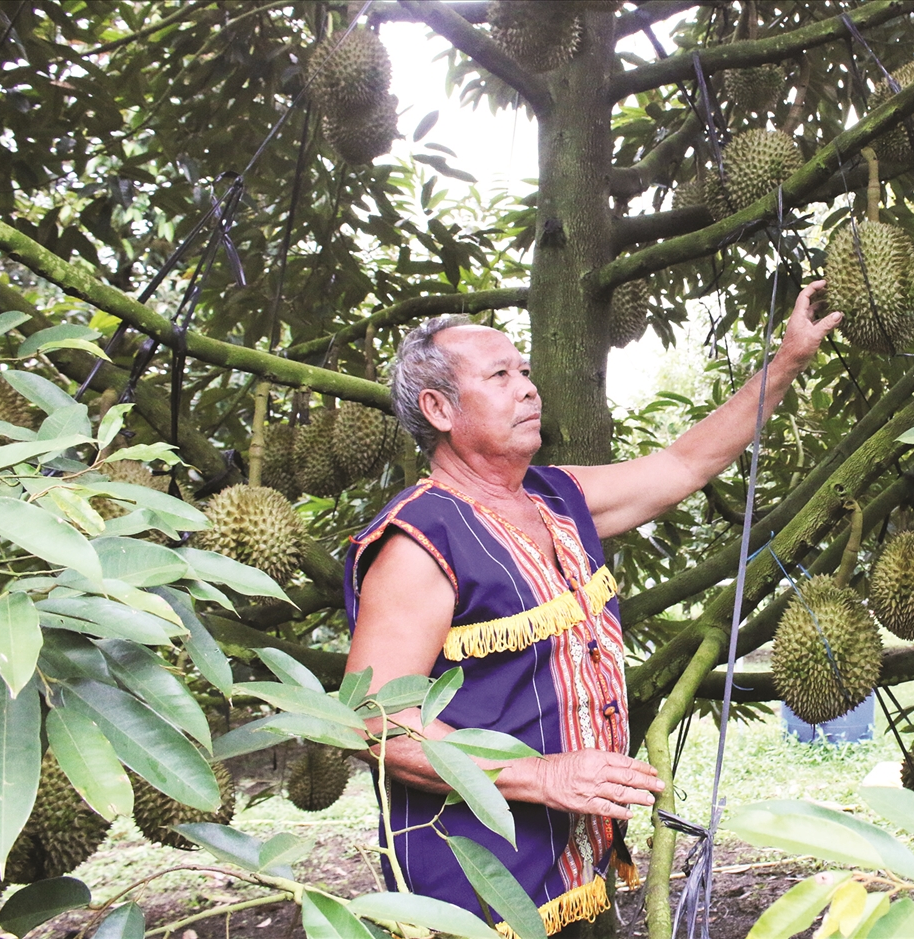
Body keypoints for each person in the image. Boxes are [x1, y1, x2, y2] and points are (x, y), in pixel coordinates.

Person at [343, 281, 839, 937]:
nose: (527, 387)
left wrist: (787, 363)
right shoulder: (420, 540)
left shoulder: (557, 496)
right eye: (499, 375)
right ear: (438, 407)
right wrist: (538, 773)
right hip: (475, 886)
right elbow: (376, 723)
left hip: (579, 864)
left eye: (524, 371)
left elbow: (682, 464)